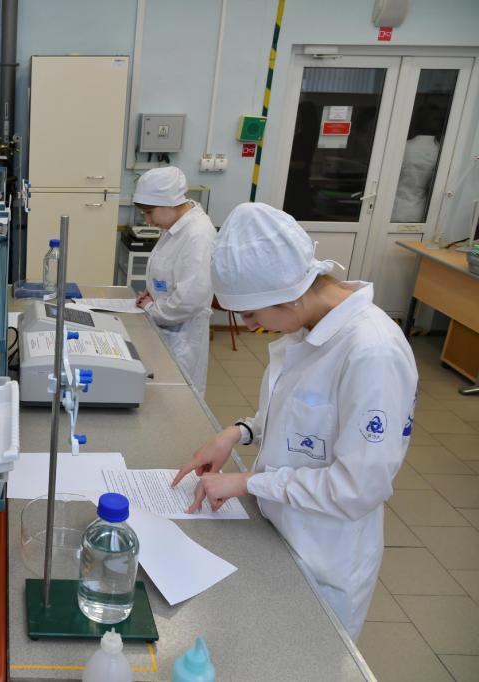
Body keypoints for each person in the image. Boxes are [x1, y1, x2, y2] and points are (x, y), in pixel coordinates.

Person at [173, 203, 418, 640]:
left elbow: (358, 488)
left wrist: (248, 482)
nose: (252, 327)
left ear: (288, 296)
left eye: (252, 315)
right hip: (279, 531)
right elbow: (297, 418)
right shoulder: (307, 327)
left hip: (322, 554)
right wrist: (238, 432)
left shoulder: (371, 352)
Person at [132, 167, 216, 394]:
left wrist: (152, 307)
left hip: (182, 338)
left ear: (168, 203)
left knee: (177, 397)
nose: (148, 221)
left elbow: (188, 301)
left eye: (150, 213)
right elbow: (170, 275)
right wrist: (153, 294)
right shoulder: (177, 227)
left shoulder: (197, 234)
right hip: (165, 327)